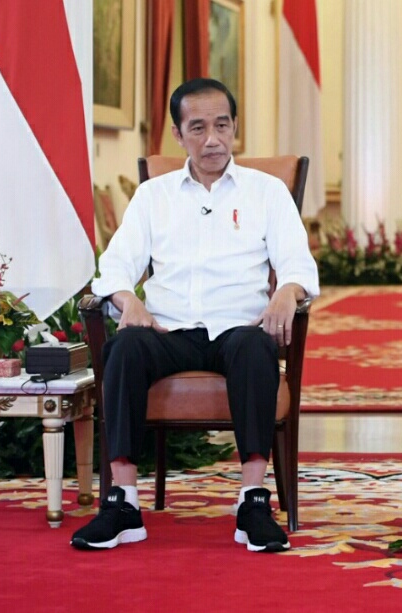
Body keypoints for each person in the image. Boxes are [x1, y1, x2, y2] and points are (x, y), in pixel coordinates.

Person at [71, 78, 320, 553]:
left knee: (256, 347)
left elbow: (298, 265)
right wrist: (128, 300)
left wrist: (287, 292)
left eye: (222, 126)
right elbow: (115, 267)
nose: (212, 140)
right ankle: (123, 503)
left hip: (238, 331)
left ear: (235, 127)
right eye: (198, 128)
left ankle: (252, 502)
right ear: (178, 133)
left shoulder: (267, 192)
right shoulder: (154, 196)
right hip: (167, 330)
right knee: (124, 347)